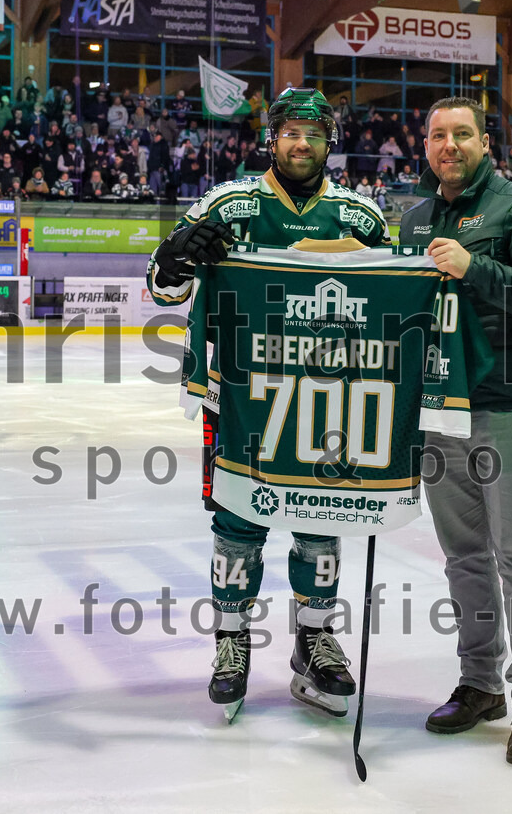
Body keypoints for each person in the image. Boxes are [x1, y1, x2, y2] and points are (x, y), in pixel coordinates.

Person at [146, 88, 390, 721]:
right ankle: (232, 644)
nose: (301, 143)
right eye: (290, 132)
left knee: (323, 515)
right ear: (271, 140)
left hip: (327, 396)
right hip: (236, 395)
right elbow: (164, 287)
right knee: (237, 520)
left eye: (313, 133)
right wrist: (174, 256)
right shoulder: (229, 203)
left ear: (329, 141)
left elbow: (390, 301)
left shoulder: (360, 216)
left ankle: (314, 640)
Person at [398, 96, 512, 766]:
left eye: (461, 133)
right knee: (464, 557)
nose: (449, 144)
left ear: (484, 142)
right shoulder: (414, 219)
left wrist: (477, 268)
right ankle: (479, 683)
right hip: (438, 411)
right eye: (438, 133)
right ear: (426, 144)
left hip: (506, 407)